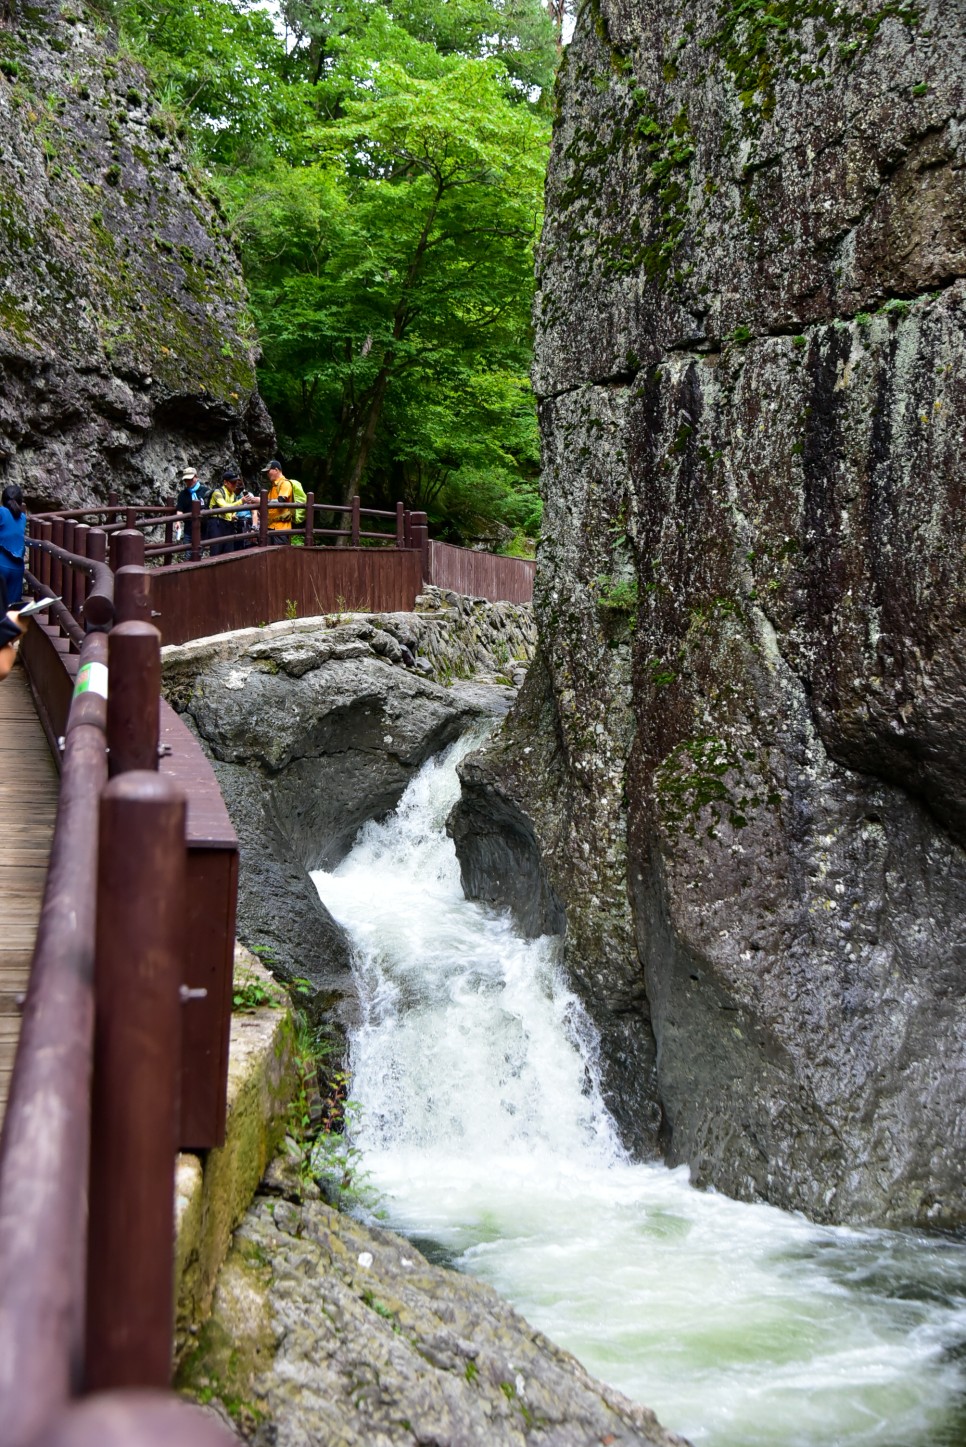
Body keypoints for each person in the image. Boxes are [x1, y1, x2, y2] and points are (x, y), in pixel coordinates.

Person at [208, 468, 245, 555]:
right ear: (225, 482)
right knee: (216, 550)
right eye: (232, 482)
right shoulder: (217, 493)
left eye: (236, 482)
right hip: (216, 523)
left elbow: (232, 509)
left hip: (228, 524)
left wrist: (233, 515)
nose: (235, 485)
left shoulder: (233, 495)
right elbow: (224, 506)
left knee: (228, 551)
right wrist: (240, 502)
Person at [0, 483, 26, 607]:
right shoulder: (23, 517)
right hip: (18, 569)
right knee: (11, 608)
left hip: (1, 564)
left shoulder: (1, 512)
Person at [176, 467, 211, 556]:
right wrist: (178, 522)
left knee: (198, 553)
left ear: (196, 477)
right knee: (188, 554)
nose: (188, 482)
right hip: (189, 529)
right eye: (186, 480)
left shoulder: (206, 491)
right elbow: (180, 510)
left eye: (190, 479)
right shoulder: (182, 495)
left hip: (203, 528)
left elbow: (211, 508)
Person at [263, 459, 294, 540]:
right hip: (271, 526)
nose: (267, 474)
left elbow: (281, 501)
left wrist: (261, 501)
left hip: (281, 528)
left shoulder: (285, 483)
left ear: (276, 470)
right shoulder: (273, 486)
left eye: (268, 471)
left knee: (280, 552)